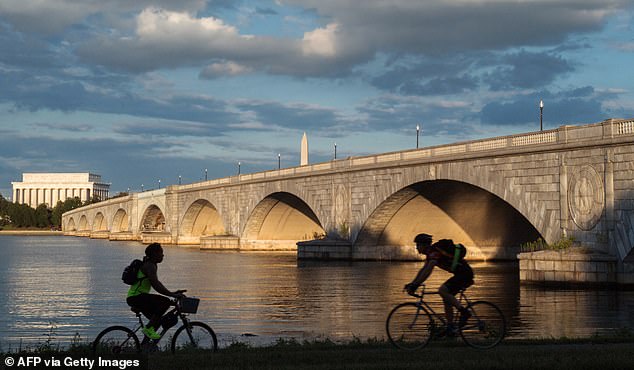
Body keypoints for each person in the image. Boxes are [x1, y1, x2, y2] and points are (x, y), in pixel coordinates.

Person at [405, 233, 474, 336]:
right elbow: (423, 270)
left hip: (464, 274)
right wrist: (413, 283)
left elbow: (428, 270)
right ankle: (450, 328)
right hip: (460, 274)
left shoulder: (434, 253)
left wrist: (416, 285)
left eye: (418, 245)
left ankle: (464, 312)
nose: (416, 247)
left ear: (424, 245)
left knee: (442, 290)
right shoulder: (431, 254)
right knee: (446, 298)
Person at [126, 243, 185, 340]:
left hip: (136, 297)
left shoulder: (151, 264)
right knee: (165, 302)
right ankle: (148, 329)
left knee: (157, 321)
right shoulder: (150, 266)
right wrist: (172, 295)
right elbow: (156, 285)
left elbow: (158, 283)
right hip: (137, 297)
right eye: (161, 253)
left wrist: (172, 292)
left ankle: (145, 345)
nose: (163, 255)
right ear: (154, 254)